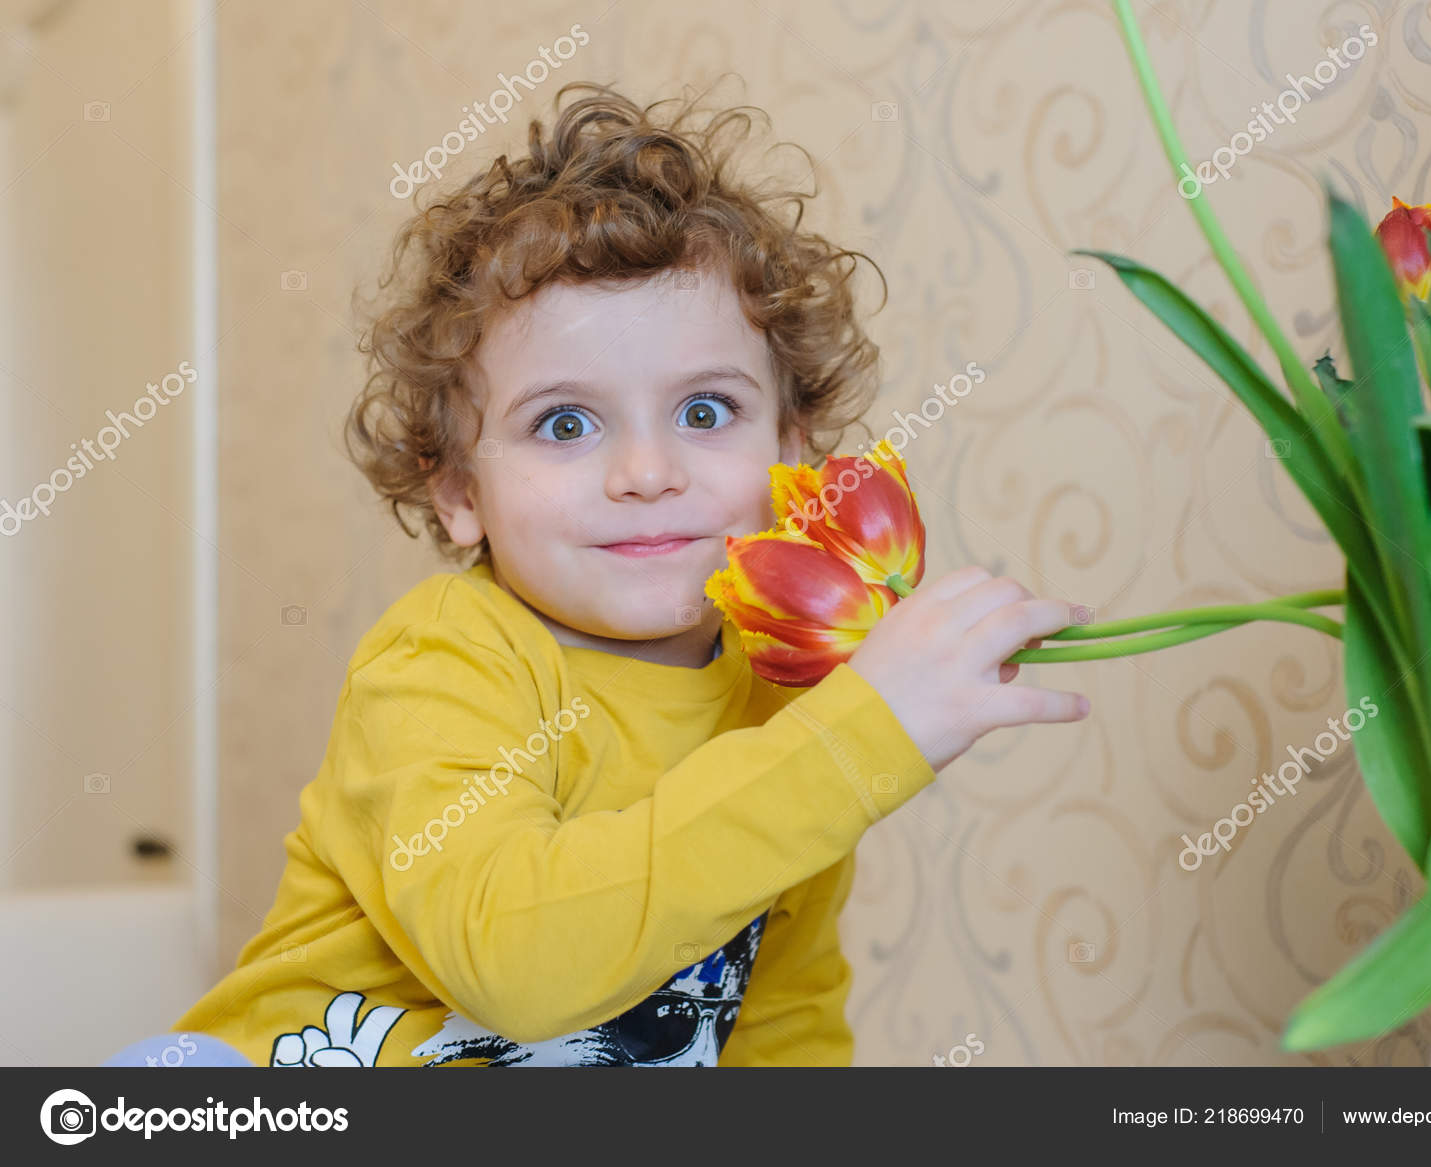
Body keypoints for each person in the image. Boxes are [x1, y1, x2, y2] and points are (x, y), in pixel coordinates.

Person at [147, 81, 1090, 1068]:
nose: (646, 474)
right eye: (565, 423)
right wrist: (852, 745)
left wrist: (832, 736)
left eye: (705, 412)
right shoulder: (442, 664)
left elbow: (773, 1026)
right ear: (460, 491)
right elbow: (516, 962)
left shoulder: (785, 704)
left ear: (794, 449)